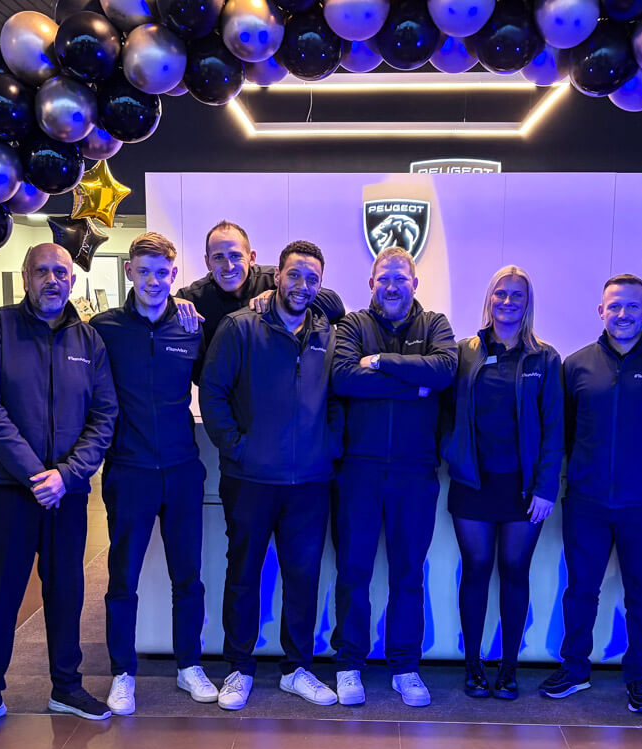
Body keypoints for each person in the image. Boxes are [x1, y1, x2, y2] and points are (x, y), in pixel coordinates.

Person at [0, 243, 118, 737]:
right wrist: (34, 475)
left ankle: (66, 686)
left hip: (67, 491)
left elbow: (103, 415)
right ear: (25, 278)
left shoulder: (89, 341)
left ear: (73, 280)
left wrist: (66, 475)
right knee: (2, 593)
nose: (52, 279)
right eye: (42, 271)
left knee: (66, 590)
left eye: (61, 272)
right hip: (6, 489)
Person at [538, 275, 642, 713]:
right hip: (585, 501)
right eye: (615, 306)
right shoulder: (576, 365)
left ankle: (639, 673)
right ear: (601, 311)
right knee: (580, 590)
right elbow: (563, 431)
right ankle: (575, 668)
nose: (623, 315)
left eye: (632, 306)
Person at [199, 239, 342, 710]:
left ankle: (297, 668)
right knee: (243, 574)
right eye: (294, 274)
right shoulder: (240, 327)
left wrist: (329, 446)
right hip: (250, 479)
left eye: (312, 278)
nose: (302, 285)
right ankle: (239, 668)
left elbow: (337, 399)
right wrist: (239, 449)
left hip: (310, 483)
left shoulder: (329, 334)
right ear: (275, 276)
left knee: (303, 577)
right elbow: (213, 394)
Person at [89, 233, 217, 715]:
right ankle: (122, 672)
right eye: (144, 271)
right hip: (129, 470)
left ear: (174, 275)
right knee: (122, 578)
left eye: (162, 272)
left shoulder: (190, 326)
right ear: (129, 272)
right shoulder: (104, 328)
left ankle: (189, 665)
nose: (153, 281)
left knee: (189, 576)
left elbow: (219, 382)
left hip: (183, 469)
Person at [329, 246, 457, 707]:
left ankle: (405, 666)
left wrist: (381, 362)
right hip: (358, 470)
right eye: (384, 278)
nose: (391, 286)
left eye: (400, 278)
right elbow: (344, 378)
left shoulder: (435, 325)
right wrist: (413, 387)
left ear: (414, 283)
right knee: (353, 571)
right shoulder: (352, 326)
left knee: (407, 574)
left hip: (415, 471)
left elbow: (443, 371)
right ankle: (349, 663)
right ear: (371, 284)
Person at [443, 265, 564, 700]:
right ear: (489, 299)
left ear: (527, 303)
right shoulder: (465, 352)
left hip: (524, 489)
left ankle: (509, 668)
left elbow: (554, 428)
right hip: (473, 483)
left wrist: (546, 488)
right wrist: (451, 451)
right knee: (476, 569)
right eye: (501, 294)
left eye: (517, 295)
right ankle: (473, 666)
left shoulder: (544, 358)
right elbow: (445, 412)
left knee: (514, 570)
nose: (508, 302)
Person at [178, 220, 345, 354]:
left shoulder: (273, 279)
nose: (229, 266)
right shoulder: (195, 296)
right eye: (219, 257)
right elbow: (166, 305)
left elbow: (335, 307)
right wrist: (174, 303)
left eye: (235, 256)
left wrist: (278, 294)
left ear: (252, 258)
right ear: (207, 262)